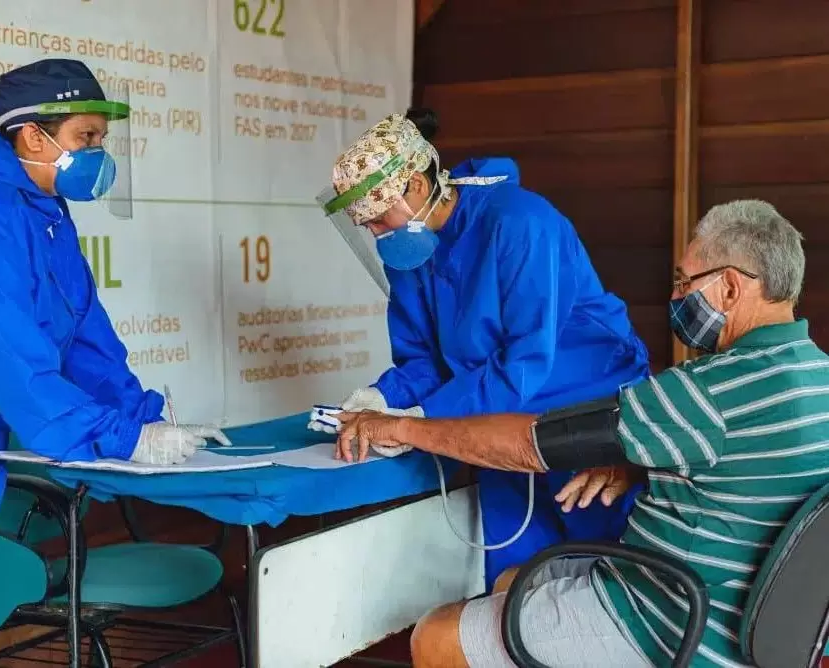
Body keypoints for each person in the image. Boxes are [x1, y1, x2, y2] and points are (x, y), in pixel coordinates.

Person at [338, 199, 822, 668]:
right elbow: (750, 469)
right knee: (511, 582)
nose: (677, 298)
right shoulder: (815, 374)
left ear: (731, 288)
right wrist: (637, 466)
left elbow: (530, 446)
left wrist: (406, 426)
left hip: (666, 622)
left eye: (685, 282)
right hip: (736, 618)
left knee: (437, 635)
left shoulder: (707, 390)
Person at [0, 58, 229, 665]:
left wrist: (145, 418)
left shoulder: (41, 209)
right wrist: (122, 438)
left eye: (100, 138)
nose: (98, 153)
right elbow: (16, 369)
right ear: (33, 136)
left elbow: (86, 338)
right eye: (86, 137)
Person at [312, 109, 651, 589]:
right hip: (491, 421)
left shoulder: (520, 224)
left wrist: (419, 420)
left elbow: (524, 363)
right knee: (513, 580)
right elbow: (424, 359)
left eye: (378, 219)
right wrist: (384, 397)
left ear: (414, 185)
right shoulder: (411, 248)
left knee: (604, 573)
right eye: (366, 225)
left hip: (583, 415)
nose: (376, 233)